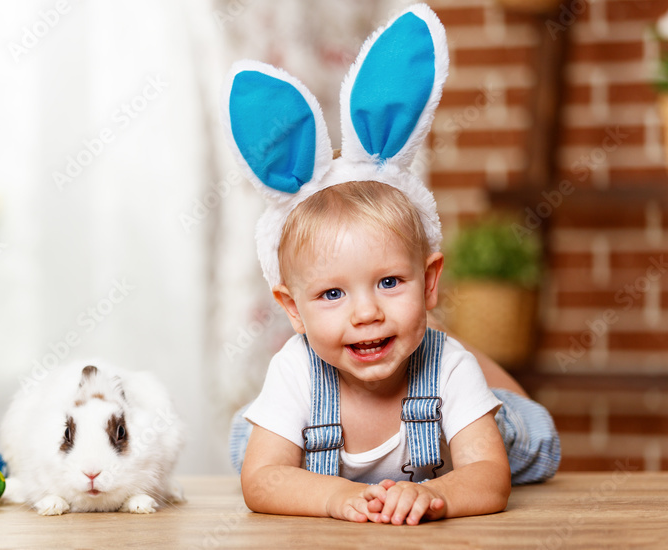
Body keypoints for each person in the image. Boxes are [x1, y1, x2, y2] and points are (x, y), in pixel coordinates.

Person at [220, 4, 559, 525]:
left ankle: (477, 361)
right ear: (292, 307)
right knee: (251, 444)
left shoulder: (446, 367)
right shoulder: (296, 369)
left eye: (389, 282)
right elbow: (263, 481)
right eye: (332, 294)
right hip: (313, 453)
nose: (366, 313)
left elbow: (490, 476)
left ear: (428, 282)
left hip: (467, 425)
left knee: (529, 437)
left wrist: (435, 495)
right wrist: (334, 498)